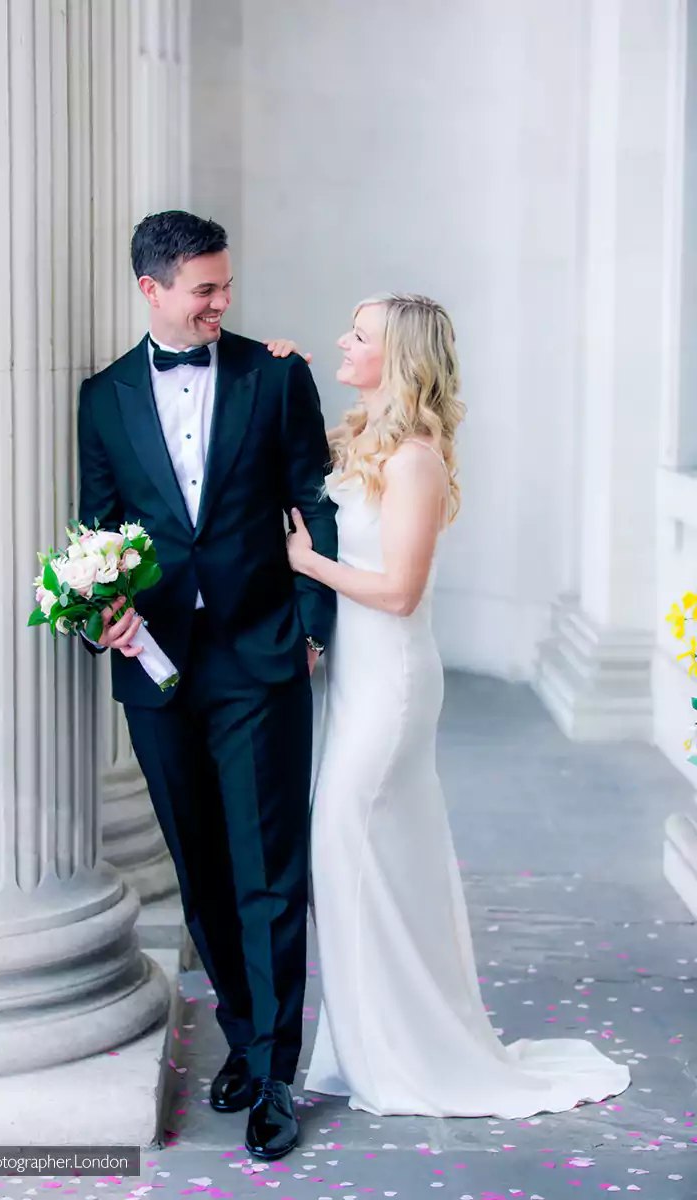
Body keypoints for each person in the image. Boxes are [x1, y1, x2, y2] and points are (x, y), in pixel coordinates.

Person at [286, 293, 631, 1117]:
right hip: (359, 680)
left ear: (395, 357)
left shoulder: (415, 457)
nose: (345, 338)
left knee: (348, 844)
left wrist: (306, 563)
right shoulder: (367, 437)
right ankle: (374, 1044)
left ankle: (405, 1054)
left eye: (359, 335)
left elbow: (400, 592)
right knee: (364, 863)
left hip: (393, 684)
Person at [78, 210, 337, 1159]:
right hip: (157, 670)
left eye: (226, 286)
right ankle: (241, 1029)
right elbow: (95, 526)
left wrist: (312, 629)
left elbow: (314, 497)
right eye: (205, 290)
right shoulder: (102, 396)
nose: (223, 303)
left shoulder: (277, 376)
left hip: (262, 658)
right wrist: (96, 611)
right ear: (152, 289)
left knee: (269, 871)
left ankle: (274, 1071)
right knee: (202, 871)